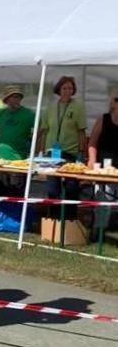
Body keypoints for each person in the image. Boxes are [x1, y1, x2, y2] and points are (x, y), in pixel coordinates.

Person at [38, 76, 87, 221]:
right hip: (52, 153)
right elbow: (44, 130)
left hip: (70, 152)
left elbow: (81, 131)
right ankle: (54, 219)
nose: (67, 91)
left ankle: (70, 219)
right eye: (64, 88)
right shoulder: (51, 107)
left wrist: (81, 152)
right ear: (59, 90)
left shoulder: (78, 107)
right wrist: (40, 151)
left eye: (70, 88)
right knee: (53, 187)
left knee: (72, 187)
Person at [0, 85, 36, 195]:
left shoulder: (28, 114)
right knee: (1, 192)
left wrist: (32, 140)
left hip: (18, 161)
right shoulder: (1, 113)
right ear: (6, 100)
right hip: (1, 160)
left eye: (18, 97)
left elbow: (41, 128)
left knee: (16, 193)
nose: (16, 99)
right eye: (13, 97)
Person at [88, 91, 118, 234]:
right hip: (103, 169)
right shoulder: (103, 120)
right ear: (113, 104)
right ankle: (97, 231)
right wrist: (92, 160)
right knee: (102, 199)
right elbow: (92, 143)